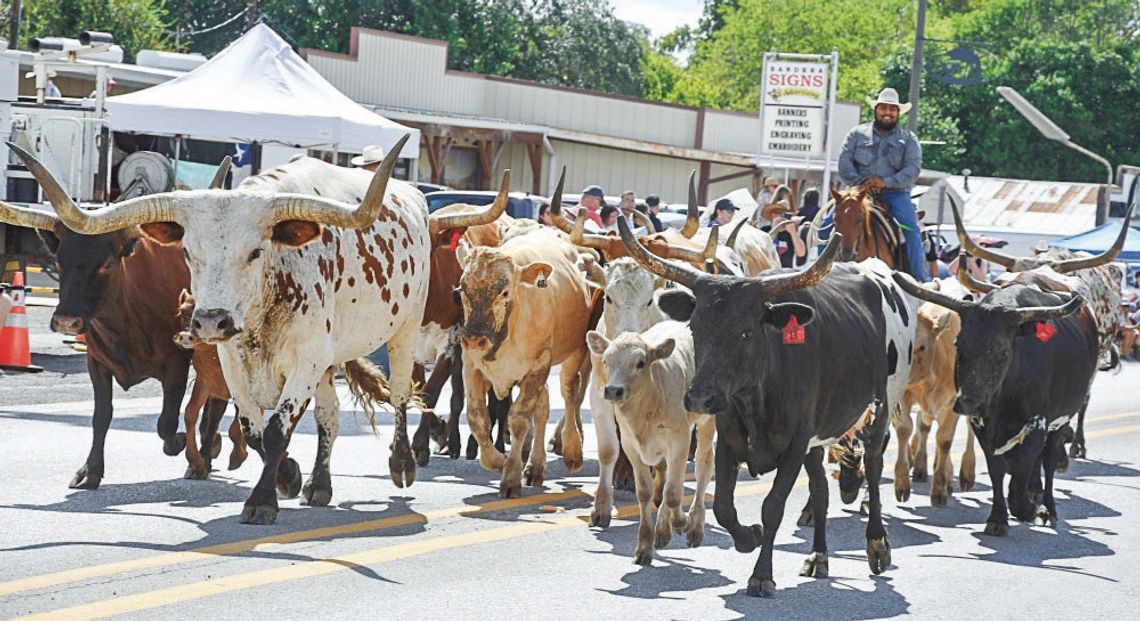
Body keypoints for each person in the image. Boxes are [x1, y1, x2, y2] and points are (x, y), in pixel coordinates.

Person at [838, 87, 927, 280]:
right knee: (830, 222)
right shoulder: (856, 135)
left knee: (911, 229)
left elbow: (912, 170)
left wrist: (885, 182)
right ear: (876, 109)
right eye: (884, 108)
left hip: (895, 193)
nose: (887, 113)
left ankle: (920, 280)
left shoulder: (909, 139)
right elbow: (844, 164)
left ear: (898, 113)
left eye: (892, 109)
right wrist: (861, 183)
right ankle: (816, 275)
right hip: (858, 193)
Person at [760, 199, 807, 268]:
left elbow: (801, 254)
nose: (778, 216)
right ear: (771, 215)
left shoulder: (790, 232)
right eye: (775, 213)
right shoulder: (764, 230)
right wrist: (773, 231)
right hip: (768, 271)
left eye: (781, 213)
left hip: (786, 273)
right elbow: (760, 251)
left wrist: (793, 233)